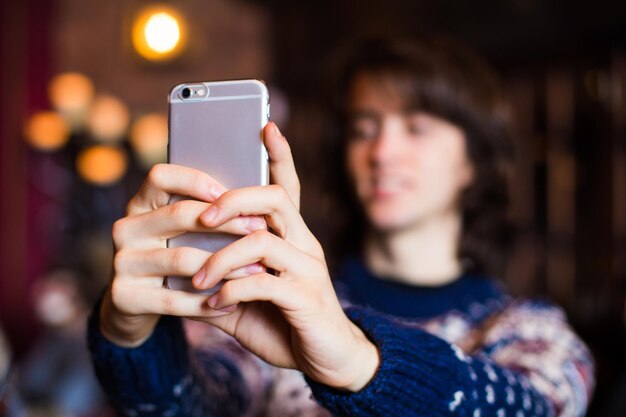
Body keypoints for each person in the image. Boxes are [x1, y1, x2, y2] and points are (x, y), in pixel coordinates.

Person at [87, 37, 594, 417]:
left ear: (475, 162)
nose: (382, 152)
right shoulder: (270, 303)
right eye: (363, 129)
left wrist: (356, 361)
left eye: (416, 127)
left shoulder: (531, 334)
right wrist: (129, 336)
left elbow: (527, 407)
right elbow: (195, 405)